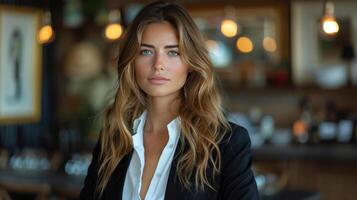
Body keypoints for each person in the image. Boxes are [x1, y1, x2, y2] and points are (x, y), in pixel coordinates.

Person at [80, 1, 259, 199]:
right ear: (132, 61)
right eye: (146, 51)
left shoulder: (227, 144)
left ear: (191, 63)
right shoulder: (113, 140)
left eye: (173, 52)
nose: (158, 65)